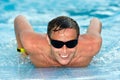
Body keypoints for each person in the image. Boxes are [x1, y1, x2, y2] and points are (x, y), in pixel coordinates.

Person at [14, 15, 102, 67]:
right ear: (48, 40)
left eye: (71, 43)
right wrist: (22, 52)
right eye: (57, 44)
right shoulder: (31, 43)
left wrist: (94, 19)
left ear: (78, 40)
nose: (64, 51)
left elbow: (96, 22)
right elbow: (19, 19)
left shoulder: (92, 44)